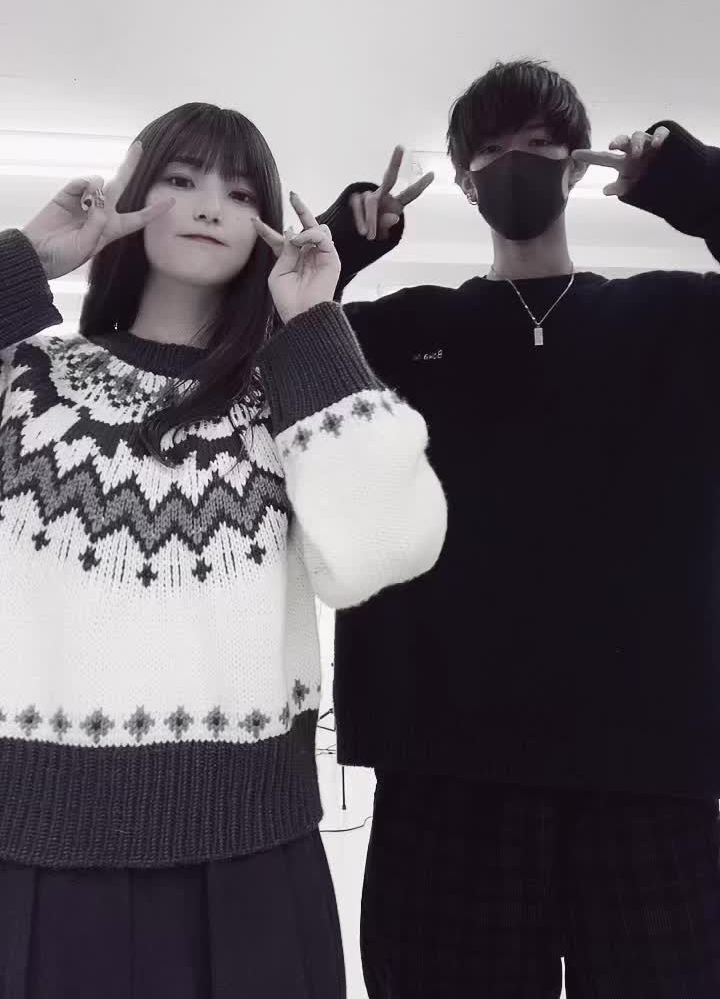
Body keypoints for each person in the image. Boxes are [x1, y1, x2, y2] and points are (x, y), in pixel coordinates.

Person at [0, 102, 447, 999]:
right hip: (32, 849)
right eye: (180, 179)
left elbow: (386, 547)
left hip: (249, 859)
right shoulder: (29, 374)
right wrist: (28, 260)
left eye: (241, 193)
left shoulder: (286, 392)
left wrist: (313, 326)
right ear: (131, 196)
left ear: (266, 225)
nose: (210, 204)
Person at [321, 61, 720, 998]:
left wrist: (693, 185)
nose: (516, 164)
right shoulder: (392, 334)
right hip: (445, 766)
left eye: (541, 145)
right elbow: (248, 361)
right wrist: (338, 251)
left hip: (648, 769)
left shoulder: (679, 320)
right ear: (464, 181)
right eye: (493, 150)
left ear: (578, 164)